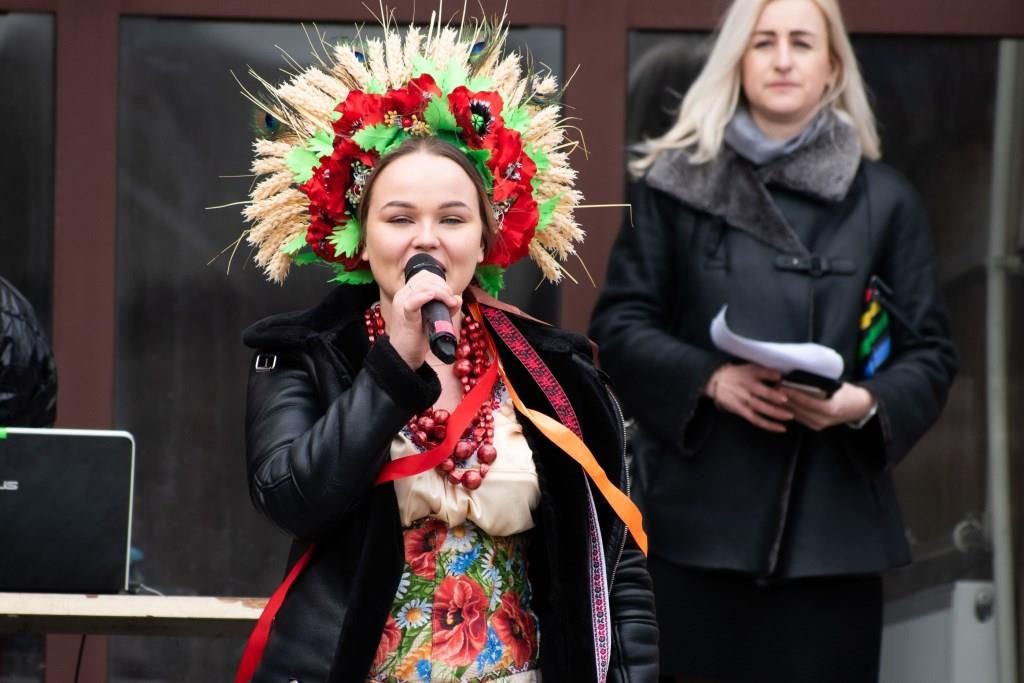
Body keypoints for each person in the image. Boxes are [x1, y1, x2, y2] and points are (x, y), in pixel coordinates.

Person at [235, 17, 658, 683]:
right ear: (361, 235)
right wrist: (389, 368)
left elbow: (618, 563)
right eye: (399, 218)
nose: (425, 240)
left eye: (453, 219)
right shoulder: (301, 356)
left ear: (487, 239)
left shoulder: (559, 374)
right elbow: (294, 497)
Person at [589, 0, 958, 681]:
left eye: (800, 42)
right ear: (737, 61)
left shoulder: (886, 199)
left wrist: (864, 403)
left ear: (831, 68)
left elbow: (930, 352)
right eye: (763, 43)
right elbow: (617, 325)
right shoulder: (674, 187)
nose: (783, 58)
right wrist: (709, 379)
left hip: (833, 539)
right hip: (693, 533)